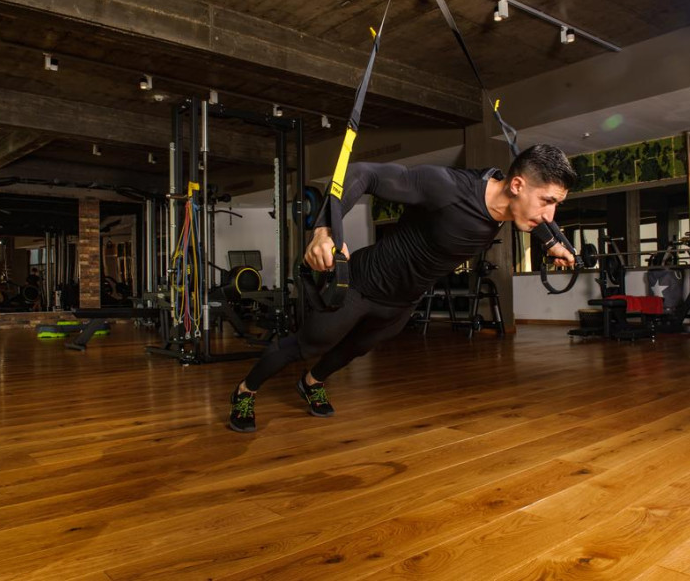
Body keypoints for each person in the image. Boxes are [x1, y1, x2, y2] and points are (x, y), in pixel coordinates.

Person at [229, 143, 578, 432]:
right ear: (516, 185)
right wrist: (323, 231)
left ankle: (311, 383)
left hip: (403, 301)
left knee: (355, 349)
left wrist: (552, 243)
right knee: (309, 344)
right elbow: (361, 173)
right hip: (364, 284)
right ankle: (246, 390)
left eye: (556, 204)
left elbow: (535, 218)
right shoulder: (449, 188)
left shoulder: (514, 206)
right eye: (547, 201)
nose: (550, 215)